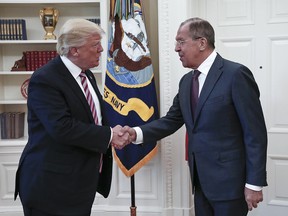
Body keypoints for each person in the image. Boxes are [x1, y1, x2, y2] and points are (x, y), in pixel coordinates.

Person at [123, 17, 268, 216]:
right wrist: (135, 133)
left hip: (230, 185)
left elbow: (255, 133)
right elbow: (171, 120)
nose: (176, 48)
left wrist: (254, 182)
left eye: (181, 41)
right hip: (200, 183)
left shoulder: (236, 75)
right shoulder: (186, 82)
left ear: (202, 43)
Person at [14, 18, 130, 216]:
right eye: (95, 45)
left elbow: (93, 117)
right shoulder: (45, 79)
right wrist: (109, 135)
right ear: (74, 50)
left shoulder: (86, 74)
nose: (102, 49)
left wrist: (118, 131)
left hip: (79, 183)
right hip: (51, 186)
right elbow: (62, 127)